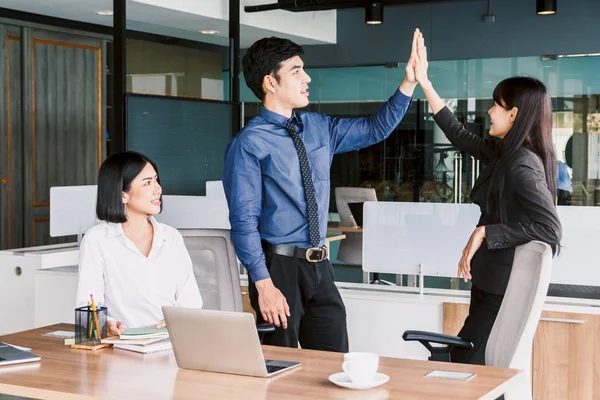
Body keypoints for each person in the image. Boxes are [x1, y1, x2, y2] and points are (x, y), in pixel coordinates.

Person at [222, 31, 420, 351]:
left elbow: (375, 129)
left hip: (320, 265)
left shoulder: (318, 126)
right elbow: (243, 221)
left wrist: (408, 83)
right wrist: (263, 283)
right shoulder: (249, 143)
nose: (307, 78)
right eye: (296, 71)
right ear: (270, 83)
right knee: (280, 369)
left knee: (335, 363)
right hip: (280, 268)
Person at [411, 30, 562, 364]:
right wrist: (424, 82)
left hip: (501, 292)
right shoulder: (504, 153)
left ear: (514, 114)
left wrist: (485, 232)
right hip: (489, 284)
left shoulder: (522, 164)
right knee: (470, 366)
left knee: (459, 366)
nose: (490, 112)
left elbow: (550, 230)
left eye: (497, 106)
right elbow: (460, 135)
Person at [76, 151, 203, 336]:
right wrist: (106, 325)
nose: (158, 189)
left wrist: (177, 320)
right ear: (123, 195)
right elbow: (87, 309)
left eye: (156, 180)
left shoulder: (171, 237)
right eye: (147, 183)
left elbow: (192, 302)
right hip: (122, 348)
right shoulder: (97, 240)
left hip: (172, 343)